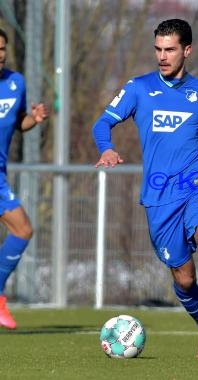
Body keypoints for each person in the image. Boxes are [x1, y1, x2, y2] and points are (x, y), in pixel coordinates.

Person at [91, 19, 198, 359]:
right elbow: (102, 122)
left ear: (187, 50)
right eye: (158, 49)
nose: (162, 56)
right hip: (158, 196)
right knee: (183, 278)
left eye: (169, 49)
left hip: (195, 183)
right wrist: (106, 147)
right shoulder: (138, 88)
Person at [0, 28, 49, 329]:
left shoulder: (16, 83)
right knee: (23, 228)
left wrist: (35, 119)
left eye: (2, 48)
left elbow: (19, 123)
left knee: (22, 230)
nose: (0, 54)